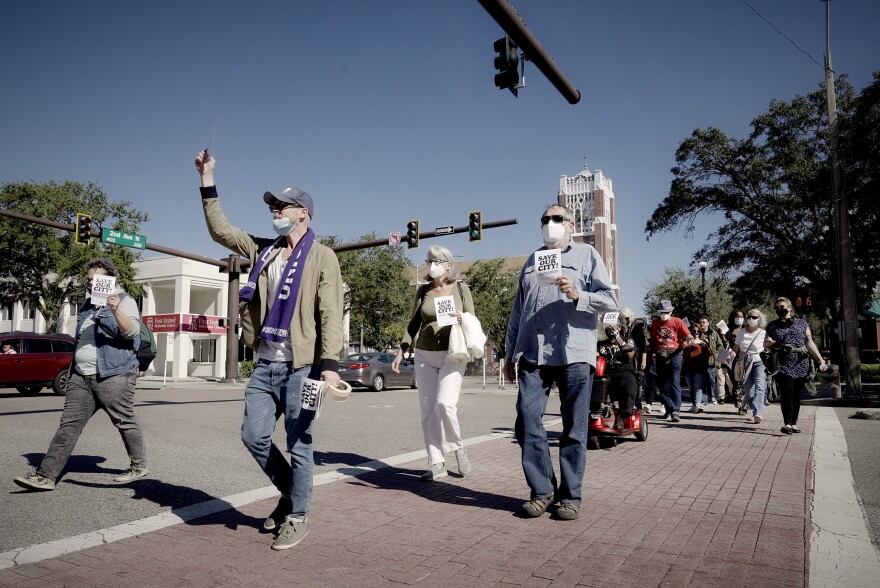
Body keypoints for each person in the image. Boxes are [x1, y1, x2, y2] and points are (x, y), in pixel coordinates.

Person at [195, 151, 343, 551]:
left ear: (303, 215)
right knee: (253, 435)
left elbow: (330, 311)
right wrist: (208, 180)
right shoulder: (265, 250)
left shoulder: (322, 256)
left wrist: (328, 366)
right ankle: (291, 494)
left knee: (300, 444)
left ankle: (298, 516)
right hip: (265, 364)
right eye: (273, 206)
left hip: (303, 368)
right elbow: (221, 231)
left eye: (282, 206)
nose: (275, 211)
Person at [504, 204, 617, 521]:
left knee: (574, 429)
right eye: (544, 219)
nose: (549, 224)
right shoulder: (532, 260)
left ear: (570, 225)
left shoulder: (587, 256)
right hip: (532, 353)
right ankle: (542, 491)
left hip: (574, 353)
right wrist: (509, 352)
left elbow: (610, 300)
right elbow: (518, 312)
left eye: (556, 219)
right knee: (527, 422)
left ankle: (570, 497)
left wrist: (579, 292)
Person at [14, 258, 147, 491]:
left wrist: (113, 309)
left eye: (96, 280)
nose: (90, 284)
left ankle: (138, 465)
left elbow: (130, 332)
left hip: (113, 375)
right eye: (88, 280)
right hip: (80, 376)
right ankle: (46, 475)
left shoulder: (124, 300)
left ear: (109, 280)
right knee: (68, 425)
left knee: (124, 420)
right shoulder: (87, 305)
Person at [392, 246, 474, 481]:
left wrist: (461, 317)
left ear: (448, 265)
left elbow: (472, 318)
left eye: (437, 260)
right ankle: (437, 463)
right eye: (429, 260)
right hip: (425, 354)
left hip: (453, 353)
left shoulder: (461, 287)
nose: (432, 264)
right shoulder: (423, 291)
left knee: (444, 405)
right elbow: (413, 323)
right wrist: (401, 351)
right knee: (428, 412)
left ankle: (457, 447)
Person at [764, 297, 826, 434]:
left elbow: (809, 342)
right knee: (787, 392)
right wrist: (770, 343)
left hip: (800, 363)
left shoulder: (801, 323)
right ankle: (787, 423)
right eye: (777, 308)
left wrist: (820, 360)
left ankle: (794, 423)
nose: (780, 309)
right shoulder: (772, 326)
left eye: (782, 307)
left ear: (790, 307)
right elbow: (766, 345)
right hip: (782, 364)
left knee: (796, 394)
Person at [649, 300, 691, 422]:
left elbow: (688, 335)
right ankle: (670, 409)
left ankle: (675, 411)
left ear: (671, 311)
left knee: (674, 382)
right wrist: (650, 355)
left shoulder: (677, 321)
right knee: (663, 385)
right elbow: (653, 340)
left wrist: (688, 339)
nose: (664, 314)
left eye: (666, 312)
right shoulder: (655, 323)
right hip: (660, 354)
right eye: (662, 312)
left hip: (675, 354)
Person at [733, 309, 767, 424]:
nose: (751, 319)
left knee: (760, 387)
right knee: (748, 390)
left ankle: (758, 413)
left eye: (754, 317)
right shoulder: (742, 332)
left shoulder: (763, 333)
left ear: (759, 319)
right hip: (745, 362)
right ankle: (755, 411)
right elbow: (736, 348)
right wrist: (730, 356)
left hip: (760, 362)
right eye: (749, 317)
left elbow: (769, 346)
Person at [683, 323, 710, 414]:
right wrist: (688, 346)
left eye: (698, 331)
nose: (696, 333)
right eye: (694, 331)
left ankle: (698, 405)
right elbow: (684, 355)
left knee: (698, 387)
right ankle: (694, 405)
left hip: (699, 368)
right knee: (691, 388)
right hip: (688, 368)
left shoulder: (704, 342)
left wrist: (704, 345)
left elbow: (709, 354)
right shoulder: (687, 342)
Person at [699, 316, 724, 405]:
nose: (702, 324)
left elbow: (720, 346)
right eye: (700, 322)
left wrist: (716, 355)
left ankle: (712, 395)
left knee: (710, 379)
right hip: (699, 360)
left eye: (704, 322)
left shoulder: (713, 333)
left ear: (708, 323)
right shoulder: (697, 333)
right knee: (702, 380)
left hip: (711, 360)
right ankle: (704, 400)